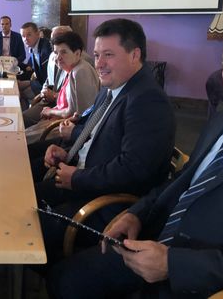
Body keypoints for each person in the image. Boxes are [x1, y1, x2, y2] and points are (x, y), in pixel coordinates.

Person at [46, 20, 223, 298]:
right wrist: (137, 213)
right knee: (63, 276)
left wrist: (173, 264)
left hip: (199, 280)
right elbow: (183, 181)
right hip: (155, 238)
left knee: (65, 279)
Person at [32, 18, 175, 264]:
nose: (99, 63)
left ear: (135, 55)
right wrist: (67, 151)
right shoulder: (111, 89)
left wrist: (78, 178)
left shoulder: (148, 100)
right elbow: (92, 134)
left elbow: (134, 170)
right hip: (84, 180)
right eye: (97, 55)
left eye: (108, 55)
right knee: (24, 198)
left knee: (30, 229)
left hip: (106, 203)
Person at [24, 31, 99, 144]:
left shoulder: (80, 71)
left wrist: (50, 111)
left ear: (77, 53)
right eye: (56, 52)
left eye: (64, 52)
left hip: (67, 128)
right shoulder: (70, 69)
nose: (58, 57)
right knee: (21, 135)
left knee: (23, 140)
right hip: (59, 121)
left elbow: (75, 114)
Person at [18, 22, 52, 108]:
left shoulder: (46, 49)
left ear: (38, 34)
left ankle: (25, 112)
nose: (25, 39)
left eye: (29, 35)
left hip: (47, 87)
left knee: (21, 93)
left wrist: (40, 95)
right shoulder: (34, 47)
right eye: (23, 36)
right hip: (39, 81)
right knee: (17, 86)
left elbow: (49, 77)